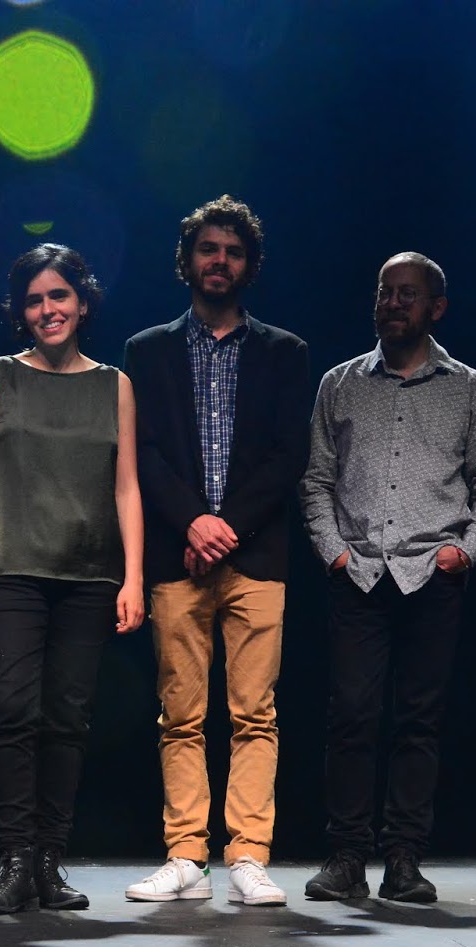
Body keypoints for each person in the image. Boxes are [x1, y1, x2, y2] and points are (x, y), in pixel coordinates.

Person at [299, 251, 476, 904]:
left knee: (418, 721)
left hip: (432, 576)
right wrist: (334, 552)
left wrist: (467, 551)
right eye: (384, 292)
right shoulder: (340, 382)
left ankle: (403, 859)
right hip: (360, 574)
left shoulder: (471, 388)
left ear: (435, 308)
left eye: (408, 293)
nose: (393, 303)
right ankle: (346, 857)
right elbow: (316, 480)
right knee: (352, 717)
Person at [122, 196, 312, 907]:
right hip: (178, 556)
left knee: (255, 713)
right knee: (181, 715)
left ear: (249, 265)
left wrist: (223, 526)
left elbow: (289, 454)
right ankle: (185, 857)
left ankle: (249, 856)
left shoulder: (285, 352)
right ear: (187, 260)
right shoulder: (147, 350)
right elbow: (142, 452)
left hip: (256, 558)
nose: (220, 261)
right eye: (208, 249)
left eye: (233, 252)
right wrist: (193, 523)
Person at [0, 244, 146, 915]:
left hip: (89, 576)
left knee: (67, 720)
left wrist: (133, 578)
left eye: (58, 296)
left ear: (82, 303)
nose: (47, 310)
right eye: (34, 300)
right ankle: (13, 860)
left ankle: (47, 861)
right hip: (11, 570)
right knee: (12, 714)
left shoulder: (114, 385)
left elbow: (126, 487)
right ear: (21, 312)